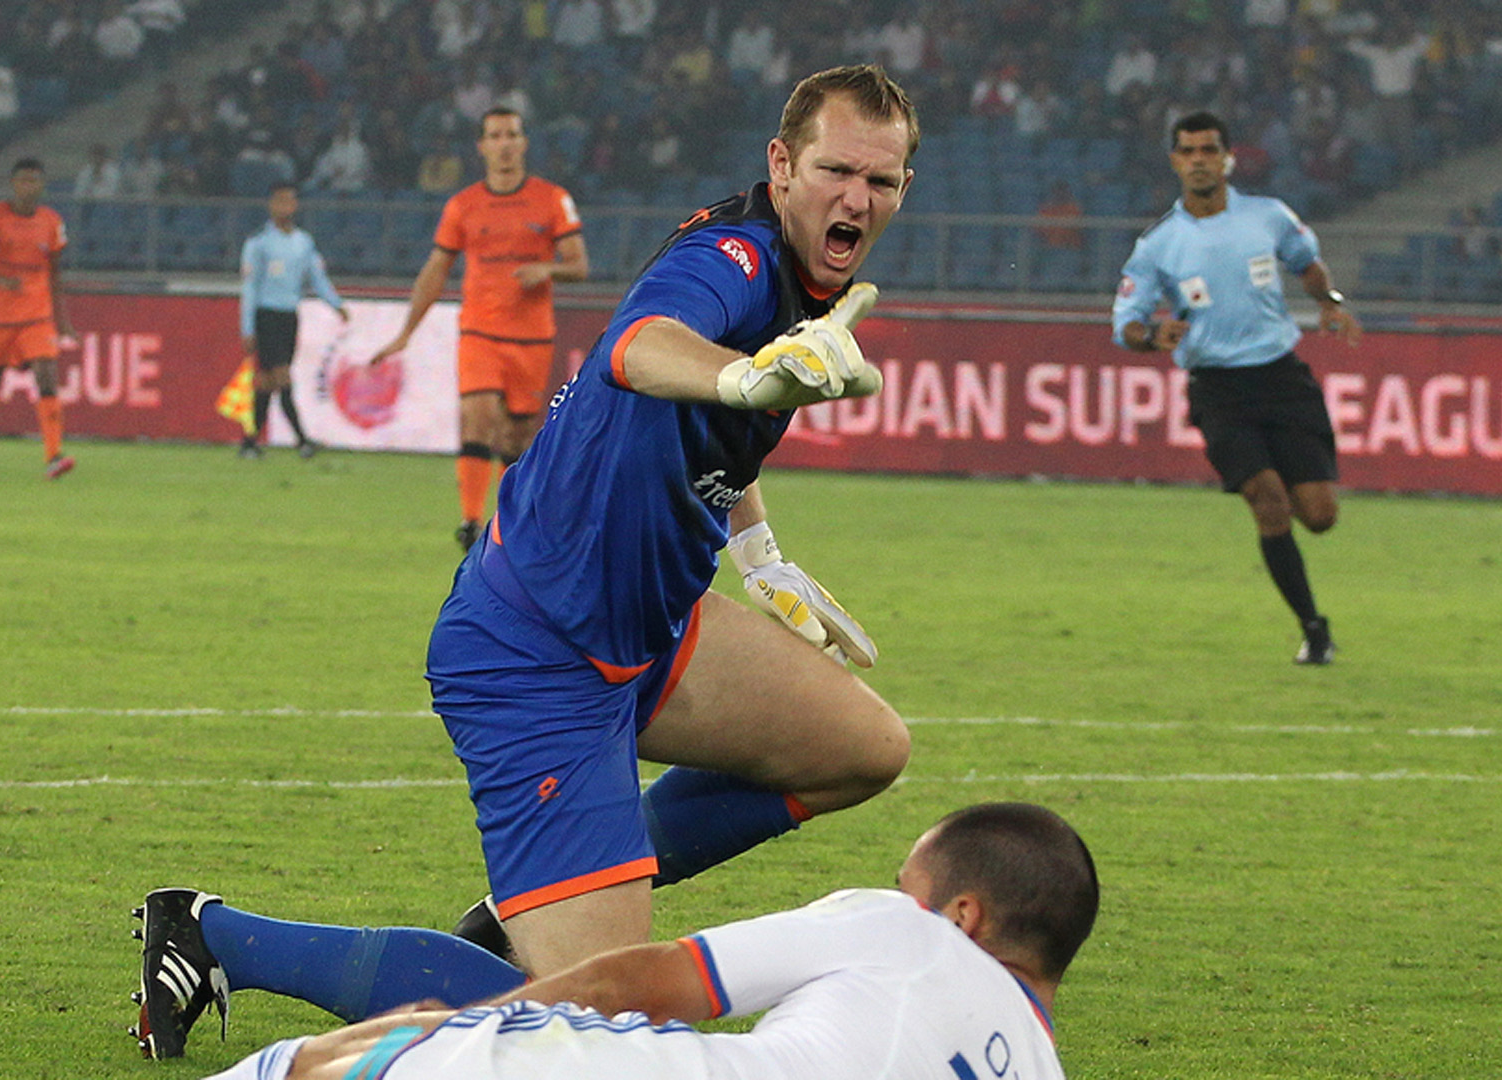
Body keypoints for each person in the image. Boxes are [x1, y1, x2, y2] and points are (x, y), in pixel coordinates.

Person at [137, 64, 918, 1060]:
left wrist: (758, 549)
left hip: (649, 627)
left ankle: (547, 899)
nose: (857, 197)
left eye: (882, 182)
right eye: (836, 170)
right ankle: (212, 934)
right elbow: (640, 345)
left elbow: (722, 419)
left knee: (863, 748)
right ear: (780, 164)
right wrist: (742, 374)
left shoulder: (818, 278)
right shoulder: (736, 256)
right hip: (538, 655)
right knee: (599, 1033)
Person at [151, 802, 1097, 1080]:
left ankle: (204, 934)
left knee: (311, 1067)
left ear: (962, 917)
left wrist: (450, 1029)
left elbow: (647, 981)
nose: (901, 897)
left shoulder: (905, 933)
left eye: (912, 887)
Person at [1112, 111, 1362, 664]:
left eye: (1209, 150)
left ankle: (1312, 615)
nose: (1199, 160)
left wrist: (1328, 302)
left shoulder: (1268, 218)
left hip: (1282, 377)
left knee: (1319, 516)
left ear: (1227, 157)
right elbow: (1124, 321)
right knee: (1268, 503)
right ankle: (1314, 630)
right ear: (1175, 161)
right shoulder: (1159, 245)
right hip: (1219, 389)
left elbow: (1308, 263)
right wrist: (1153, 335)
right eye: (1188, 151)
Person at [367, 107, 589, 552]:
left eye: (511, 134)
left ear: (523, 143)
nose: (504, 143)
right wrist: (407, 331)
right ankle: (470, 523)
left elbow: (579, 265)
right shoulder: (463, 206)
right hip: (480, 332)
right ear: (482, 146)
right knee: (479, 416)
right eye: (495, 135)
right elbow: (435, 270)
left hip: (531, 337)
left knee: (517, 435)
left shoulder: (552, 199)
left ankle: (505, 525)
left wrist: (546, 269)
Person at [0, 157, 77, 479]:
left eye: (35, 181)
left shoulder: (51, 222)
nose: (29, 187)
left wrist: (63, 321)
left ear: (43, 185)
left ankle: (54, 456)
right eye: (23, 180)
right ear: (13, 183)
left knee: (47, 375)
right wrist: (0, 280)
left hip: (36, 315)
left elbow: (55, 275)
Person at [237, 182, 348, 459]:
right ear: (271, 205)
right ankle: (302, 441)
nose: (285, 207)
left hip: (289, 318)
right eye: (280, 202)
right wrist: (248, 328)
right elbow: (249, 289)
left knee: (265, 382)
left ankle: (250, 443)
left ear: (295, 205)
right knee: (282, 377)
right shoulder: (258, 242)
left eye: (290, 201)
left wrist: (336, 304)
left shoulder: (303, 242)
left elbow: (317, 278)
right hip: (266, 316)